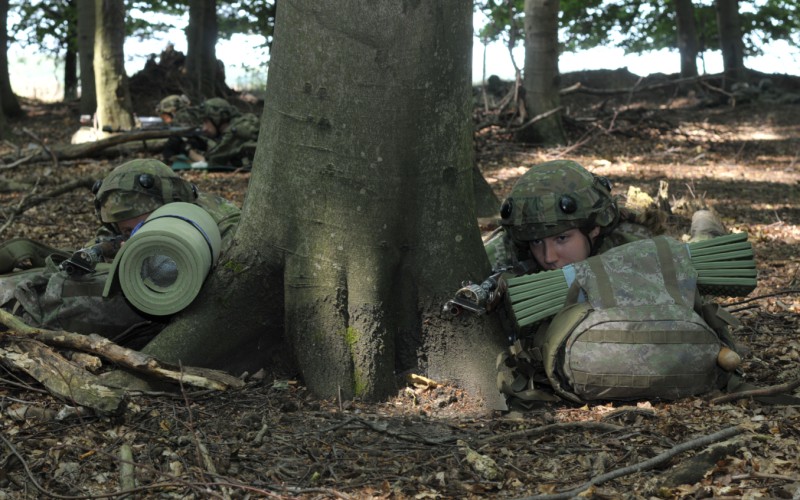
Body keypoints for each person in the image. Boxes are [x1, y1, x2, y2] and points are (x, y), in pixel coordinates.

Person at [0, 159, 240, 348]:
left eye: (139, 226)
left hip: (167, 305)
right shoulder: (150, 210)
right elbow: (100, 244)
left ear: (168, 207)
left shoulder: (223, 228)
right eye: (124, 229)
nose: (131, 233)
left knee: (54, 296)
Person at [189, 97, 260, 170]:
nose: (204, 128)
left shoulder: (236, 131)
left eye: (206, 122)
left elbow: (213, 161)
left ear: (217, 119)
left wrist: (189, 151)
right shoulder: (241, 124)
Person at [154, 95, 208, 164]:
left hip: (204, 147)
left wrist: (167, 156)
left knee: (177, 143)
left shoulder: (181, 116)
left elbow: (177, 138)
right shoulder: (192, 112)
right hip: (206, 144)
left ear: (173, 111)